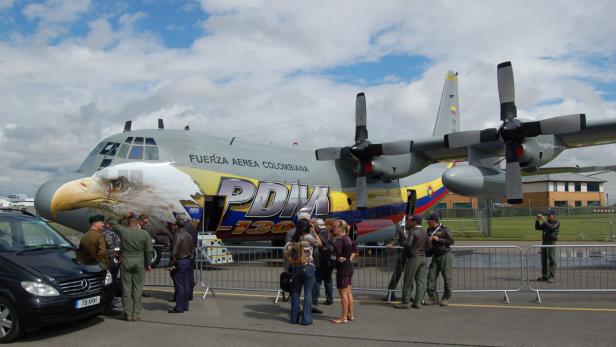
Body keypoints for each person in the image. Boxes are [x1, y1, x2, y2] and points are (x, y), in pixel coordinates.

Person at [109, 213, 153, 321]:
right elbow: (149, 251)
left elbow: (112, 222)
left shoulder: (124, 231)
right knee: (137, 288)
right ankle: (136, 313)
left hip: (126, 261)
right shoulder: (144, 234)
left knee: (126, 288)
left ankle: (128, 314)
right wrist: (148, 264)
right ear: (137, 222)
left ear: (128, 223)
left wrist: (122, 216)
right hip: (139, 261)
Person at [283, 218, 322, 325]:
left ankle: (294, 318)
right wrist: (313, 231)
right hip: (308, 267)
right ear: (307, 227)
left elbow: (285, 249)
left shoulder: (295, 238)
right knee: (308, 293)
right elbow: (319, 243)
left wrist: (290, 260)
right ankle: (306, 319)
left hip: (297, 267)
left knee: (295, 293)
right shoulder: (308, 237)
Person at [395, 215, 431, 309]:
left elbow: (407, 245)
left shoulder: (413, 232)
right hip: (423, 258)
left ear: (415, 222)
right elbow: (429, 246)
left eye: (411, 221)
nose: (409, 222)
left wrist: (406, 254)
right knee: (421, 281)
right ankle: (418, 302)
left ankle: (405, 302)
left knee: (408, 280)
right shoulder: (425, 232)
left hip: (413, 258)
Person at [425, 213, 454, 306]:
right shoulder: (428, 230)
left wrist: (439, 239)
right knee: (431, 277)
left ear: (433, 221)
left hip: (445, 255)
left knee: (447, 277)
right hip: (435, 256)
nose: (427, 222)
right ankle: (432, 297)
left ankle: (446, 298)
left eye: (428, 220)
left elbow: (451, 241)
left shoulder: (444, 229)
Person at [167, 219, 195, 313]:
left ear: (176, 225)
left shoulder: (177, 235)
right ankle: (185, 305)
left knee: (179, 285)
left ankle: (179, 307)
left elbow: (174, 251)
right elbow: (192, 250)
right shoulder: (189, 235)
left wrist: (171, 264)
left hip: (180, 261)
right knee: (186, 284)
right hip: (188, 261)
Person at [331, 219, 356, 323]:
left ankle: (344, 317)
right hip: (348, 267)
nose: (333, 228)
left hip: (343, 269)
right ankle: (350, 314)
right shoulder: (348, 238)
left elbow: (336, 253)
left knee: (343, 294)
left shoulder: (340, 239)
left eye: (335, 226)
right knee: (348, 292)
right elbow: (353, 251)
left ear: (341, 228)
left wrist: (338, 258)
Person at [382, 217, 409, 301]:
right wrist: (392, 244)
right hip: (401, 254)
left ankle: (408, 296)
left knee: (410, 276)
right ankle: (390, 294)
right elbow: (396, 239)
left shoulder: (415, 229)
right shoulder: (400, 228)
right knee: (396, 274)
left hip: (412, 256)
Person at [312, 218, 335, 306]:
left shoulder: (318, 235)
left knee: (317, 281)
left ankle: (314, 299)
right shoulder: (330, 234)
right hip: (330, 261)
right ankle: (329, 299)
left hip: (321, 261)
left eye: (315, 226)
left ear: (317, 227)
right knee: (328, 280)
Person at [102, 221, 122, 314]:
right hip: (110, 260)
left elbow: (118, 244)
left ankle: (112, 300)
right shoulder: (105, 234)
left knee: (113, 282)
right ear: (108, 225)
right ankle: (108, 303)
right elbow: (107, 248)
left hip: (116, 260)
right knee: (109, 283)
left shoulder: (116, 233)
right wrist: (114, 251)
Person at [535, 209, 559, 283]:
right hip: (544, 242)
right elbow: (538, 228)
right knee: (544, 259)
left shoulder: (556, 222)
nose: (548, 217)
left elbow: (551, 228)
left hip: (551, 242)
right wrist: (537, 220)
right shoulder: (546, 223)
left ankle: (552, 276)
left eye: (549, 215)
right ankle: (545, 276)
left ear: (553, 215)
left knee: (552, 259)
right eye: (547, 215)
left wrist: (544, 220)